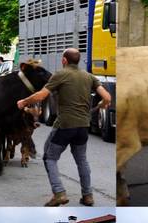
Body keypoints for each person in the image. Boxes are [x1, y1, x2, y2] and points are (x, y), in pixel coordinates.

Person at [16, 48, 112, 206]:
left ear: (64, 60)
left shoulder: (60, 75)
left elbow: (41, 95)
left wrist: (24, 102)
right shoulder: (89, 77)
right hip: (83, 126)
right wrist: (102, 105)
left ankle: (59, 193)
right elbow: (107, 97)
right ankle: (88, 196)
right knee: (82, 160)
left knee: (49, 157)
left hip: (65, 125)